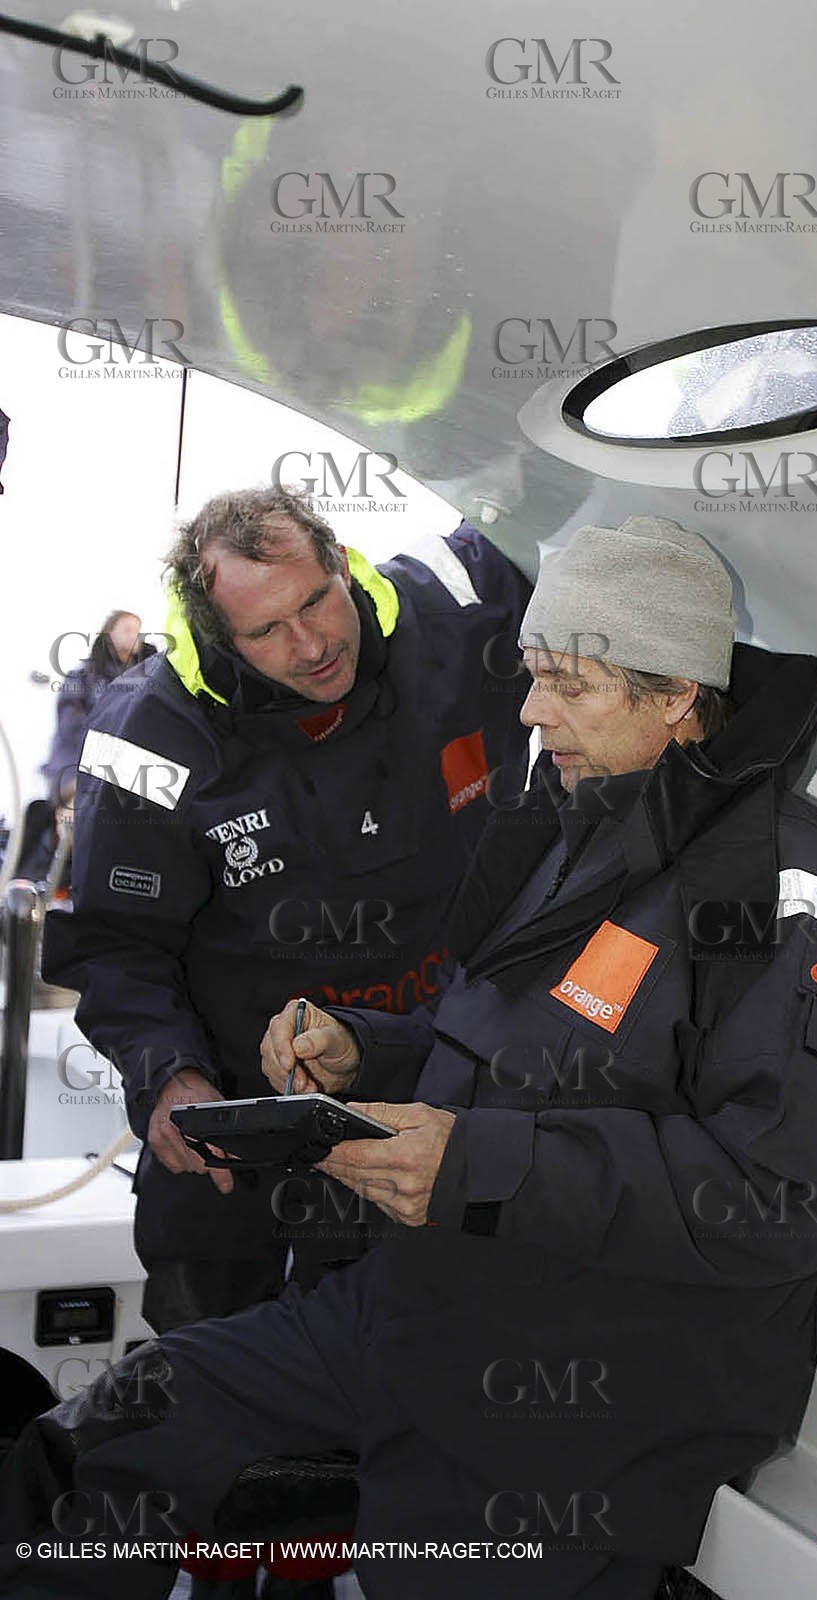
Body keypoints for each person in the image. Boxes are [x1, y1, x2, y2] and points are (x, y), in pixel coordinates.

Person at [8, 517, 817, 1600]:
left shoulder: (797, 897)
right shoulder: (573, 823)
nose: (531, 712)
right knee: (96, 1443)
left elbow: (774, 1196)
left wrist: (472, 1167)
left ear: (675, 693)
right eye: (531, 676)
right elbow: (501, 1047)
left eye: (567, 685)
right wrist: (368, 1052)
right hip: (420, 1304)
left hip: (583, 1387)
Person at [39, 487, 532, 1600]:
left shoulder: (448, 617)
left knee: (393, 1394)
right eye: (266, 630)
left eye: (320, 600)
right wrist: (170, 1079)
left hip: (416, 1094)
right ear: (219, 637)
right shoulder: (148, 732)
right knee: (207, 1411)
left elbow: (526, 523)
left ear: (341, 563)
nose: (313, 645)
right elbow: (113, 946)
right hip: (231, 1136)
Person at [42, 611, 157, 802]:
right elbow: (71, 726)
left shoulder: (150, 681)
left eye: (138, 631)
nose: (134, 635)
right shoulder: (81, 677)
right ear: (110, 634)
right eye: (127, 629)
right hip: (78, 768)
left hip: (130, 770)